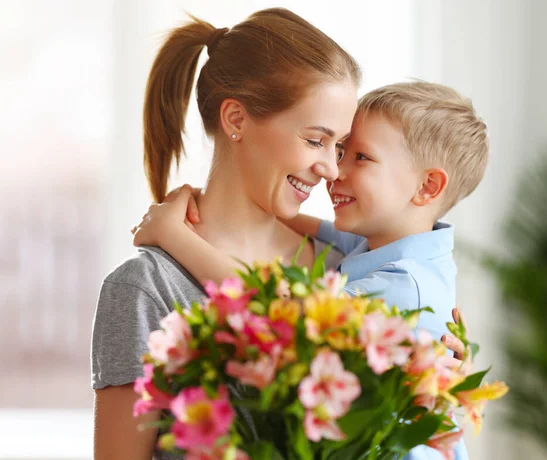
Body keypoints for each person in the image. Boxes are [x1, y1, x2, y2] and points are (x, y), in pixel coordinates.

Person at [132, 81, 486, 459]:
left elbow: (281, 309)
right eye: (340, 150)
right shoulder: (389, 241)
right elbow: (308, 225)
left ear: (427, 186)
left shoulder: (402, 284)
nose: (335, 171)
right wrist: (212, 202)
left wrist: (174, 236)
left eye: (361, 157)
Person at [91, 8, 360, 460]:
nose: (331, 168)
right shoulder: (145, 290)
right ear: (236, 119)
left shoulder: (343, 265)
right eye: (316, 140)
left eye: (340, 147)